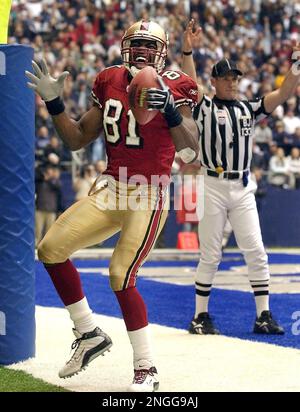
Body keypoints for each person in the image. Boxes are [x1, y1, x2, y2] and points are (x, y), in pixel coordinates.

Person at [26, 20, 199, 392]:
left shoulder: (176, 84)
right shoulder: (108, 80)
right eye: (134, 43)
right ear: (124, 46)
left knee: (120, 274)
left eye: (147, 44)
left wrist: (170, 111)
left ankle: (146, 368)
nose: (140, 50)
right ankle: (88, 333)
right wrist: (54, 103)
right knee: (50, 249)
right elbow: (74, 139)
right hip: (111, 188)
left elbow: (190, 151)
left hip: (148, 192)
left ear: (162, 49)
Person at [180, 20, 300, 335]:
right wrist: (188, 49)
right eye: (227, 77)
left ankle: (263, 315)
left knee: (256, 250)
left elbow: (285, 92)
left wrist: (297, 64)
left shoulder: (248, 108)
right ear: (215, 81)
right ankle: (200, 316)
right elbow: (189, 81)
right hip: (212, 183)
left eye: (235, 77)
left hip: (243, 185)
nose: (233, 82)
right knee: (211, 252)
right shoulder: (204, 107)